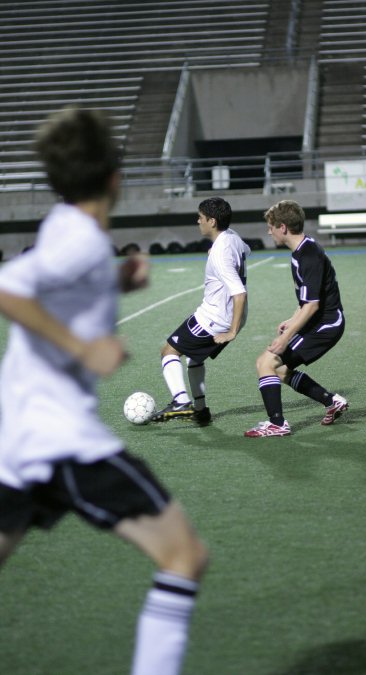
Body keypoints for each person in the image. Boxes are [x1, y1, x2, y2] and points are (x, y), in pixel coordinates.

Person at [0, 106, 208, 675]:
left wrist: (114, 280)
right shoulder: (84, 242)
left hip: (15, 437)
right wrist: (84, 347)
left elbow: (50, 273)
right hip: (62, 441)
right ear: (116, 178)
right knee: (184, 557)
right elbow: (9, 286)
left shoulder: (66, 225)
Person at [245, 200, 348, 438]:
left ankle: (277, 424)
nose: (268, 231)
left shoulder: (308, 255)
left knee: (266, 363)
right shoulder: (302, 250)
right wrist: (292, 319)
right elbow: (307, 299)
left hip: (326, 324)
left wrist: (286, 338)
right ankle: (331, 401)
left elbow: (312, 305)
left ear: (282, 227)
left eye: (270, 226)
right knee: (278, 370)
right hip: (318, 320)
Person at [151, 196, 250, 425]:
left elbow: (239, 293)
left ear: (212, 221)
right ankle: (201, 410)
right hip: (226, 315)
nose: (198, 221)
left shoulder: (220, 253)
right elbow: (246, 251)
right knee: (194, 358)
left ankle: (181, 400)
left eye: (201, 217)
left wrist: (232, 332)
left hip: (215, 318)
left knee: (169, 351)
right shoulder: (233, 237)